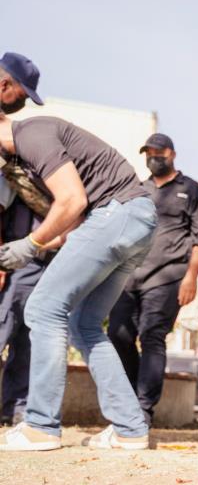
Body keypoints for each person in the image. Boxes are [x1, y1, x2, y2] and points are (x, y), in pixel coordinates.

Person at [0, 114, 157, 451]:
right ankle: (130, 428)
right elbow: (76, 224)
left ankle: (41, 426)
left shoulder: (31, 133)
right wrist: (25, 248)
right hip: (133, 220)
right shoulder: (28, 150)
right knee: (83, 324)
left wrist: (31, 244)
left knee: (44, 309)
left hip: (116, 215)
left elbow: (73, 201)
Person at [108, 133, 198, 426]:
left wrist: (191, 277)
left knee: (153, 336)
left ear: (172, 153)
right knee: (117, 333)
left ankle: (143, 409)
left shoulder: (191, 190)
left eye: (158, 152)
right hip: (129, 277)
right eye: (148, 153)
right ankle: (130, 398)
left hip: (168, 277)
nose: (153, 157)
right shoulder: (138, 189)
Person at [0, 187, 51, 426]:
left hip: (48, 261)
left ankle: (15, 408)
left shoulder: (55, 170)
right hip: (13, 261)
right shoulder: (11, 170)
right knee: (2, 328)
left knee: (28, 340)